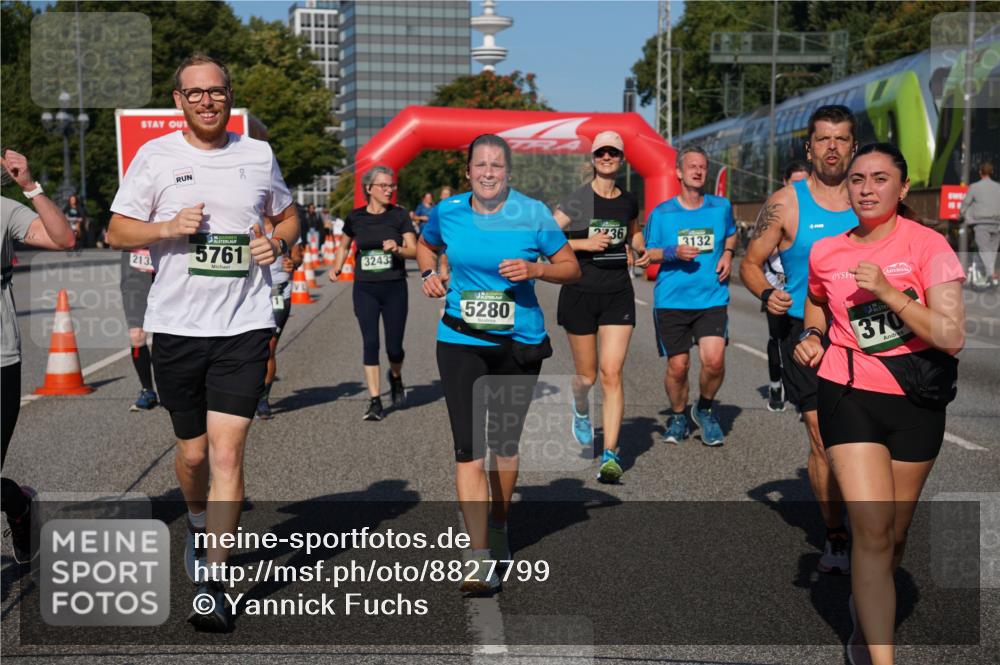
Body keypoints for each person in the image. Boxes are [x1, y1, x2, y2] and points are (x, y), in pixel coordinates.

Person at [107, 54, 298, 631]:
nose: (207, 101)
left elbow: (289, 217)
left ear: (228, 97)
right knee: (191, 455)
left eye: (216, 92)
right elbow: (116, 230)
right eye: (195, 94)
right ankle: (196, 520)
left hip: (244, 325)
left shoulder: (257, 154)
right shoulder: (156, 157)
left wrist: (278, 244)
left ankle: (216, 582)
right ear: (179, 100)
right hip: (179, 329)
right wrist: (166, 228)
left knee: (226, 453)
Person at [794, 142, 965, 665]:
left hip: (915, 400)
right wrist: (813, 334)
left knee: (893, 535)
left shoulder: (929, 246)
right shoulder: (828, 252)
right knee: (869, 530)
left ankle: (866, 612)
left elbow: (952, 335)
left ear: (903, 187)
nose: (866, 189)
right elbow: (818, 303)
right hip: (848, 393)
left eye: (880, 179)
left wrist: (892, 294)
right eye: (857, 179)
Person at [417, 134, 580, 594]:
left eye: (497, 166)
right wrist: (430, 274)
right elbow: (426, 246)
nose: (488, 172)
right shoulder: (447, 211)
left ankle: (500, 522)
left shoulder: (533, 214)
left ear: (508, 172)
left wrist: (536, 271)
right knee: (469, 450)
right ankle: (477, 556)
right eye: (480, 165)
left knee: (504, 447)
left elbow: (571, 267)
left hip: (517, 343)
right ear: (467, 170)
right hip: (460, 339)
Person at [740, 104, 860, 575]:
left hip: (865, 334)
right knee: (821, 434)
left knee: (862, 435)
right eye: (824, 139)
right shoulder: (787, 201)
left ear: (853, 146)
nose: (832, 147)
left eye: (842, 139)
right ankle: (835, 534)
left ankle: (866, 513)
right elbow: (751, 262)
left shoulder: (868, 195)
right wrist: (768, 292)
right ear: (809, 146)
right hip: (803, 331)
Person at [553, 131, 641, 483]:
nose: (607, 158)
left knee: (612, 373)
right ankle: (579, 406)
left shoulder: (627, 200)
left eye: (614, 153)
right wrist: (583, 242)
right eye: (601, 153)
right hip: (580, 292)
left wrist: (639, 247)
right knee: (586, 377)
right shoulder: (579, 200)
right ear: (593, 158)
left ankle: (611, 454)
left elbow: (633, 232)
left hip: (618, 292)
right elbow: (547, 238)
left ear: (621, 159)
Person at [1, 149, 76, 563]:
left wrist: (30, 187)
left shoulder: (3, 210)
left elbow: (63, 239)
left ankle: (18, 506)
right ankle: (17, 504)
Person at [637, 145, 736, 447]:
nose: (697, 170)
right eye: (691, 166)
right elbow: (646, 255)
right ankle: (679, 415)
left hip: (711, 299)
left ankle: (704, 409)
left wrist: (729, 254)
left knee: (714, 361)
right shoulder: (663, 213)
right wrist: (672, 252)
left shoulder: (720, 207)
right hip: (672, 301)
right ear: (679, 172)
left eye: (702, 166)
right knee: (678, 367)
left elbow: (731, 233)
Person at [329, 166, 417, 421]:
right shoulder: (355, 217)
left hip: (394, 288)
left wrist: (398, 248)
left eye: (392, 186)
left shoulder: (399, 216)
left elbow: (414, 250)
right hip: (365, 289)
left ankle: (396, 377)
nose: (389, 190)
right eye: (384, 186)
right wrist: (337, 267)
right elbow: (344, 245)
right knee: (370, 343)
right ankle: (375, 400)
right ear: (369, 188)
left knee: (394, 348)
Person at [763, 160, 810, 412]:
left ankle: (806, 394)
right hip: (777, 287)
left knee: (808, 338)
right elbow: (756, 255)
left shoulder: (817, 209)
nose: (801, 187)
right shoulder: (778, 208)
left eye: (805, 181)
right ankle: (775, 383)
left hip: (807, 289)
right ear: (785, 182)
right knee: (778, 339)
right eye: (796, 182)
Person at [257, 231, 302, 419]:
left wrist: (293, 263)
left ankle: (263, 399)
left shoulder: (287, 224)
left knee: (269, 347)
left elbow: (297, 256)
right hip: (252, 294)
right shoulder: (248, 217)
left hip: (278, 292)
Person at [120, 246, 158, 411]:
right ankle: (147, 391)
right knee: (136, 335)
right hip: (135, 272)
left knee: (168, 334)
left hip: (169, 266)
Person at [960, 160, 1000, 287]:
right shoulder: (998, 187)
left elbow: (966, 203)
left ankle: (990, 273)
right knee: (992, 251)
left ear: (980, 172)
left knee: (984, 249)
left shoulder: (975, 187)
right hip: (997, 223)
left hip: (981, 223)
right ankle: (990, 275)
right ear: (992, 172)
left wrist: (961, 213)